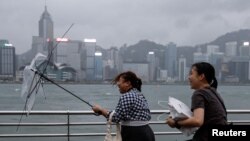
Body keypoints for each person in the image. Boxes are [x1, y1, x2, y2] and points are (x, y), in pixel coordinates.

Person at [166, 62, 227, 141]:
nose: (189, 77)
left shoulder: (199, 93)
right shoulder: (214, 92)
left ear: (201, 76)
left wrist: (175, 123)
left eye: (191, 74)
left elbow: (198, 121)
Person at [92, 71, 155, 141]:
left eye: (119, 81)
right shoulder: (139, 95)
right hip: (147, 132)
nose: (117, 83)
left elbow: (116, 118)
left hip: (134, 134)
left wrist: (100, 109)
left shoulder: (127, 96)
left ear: (128, 83)